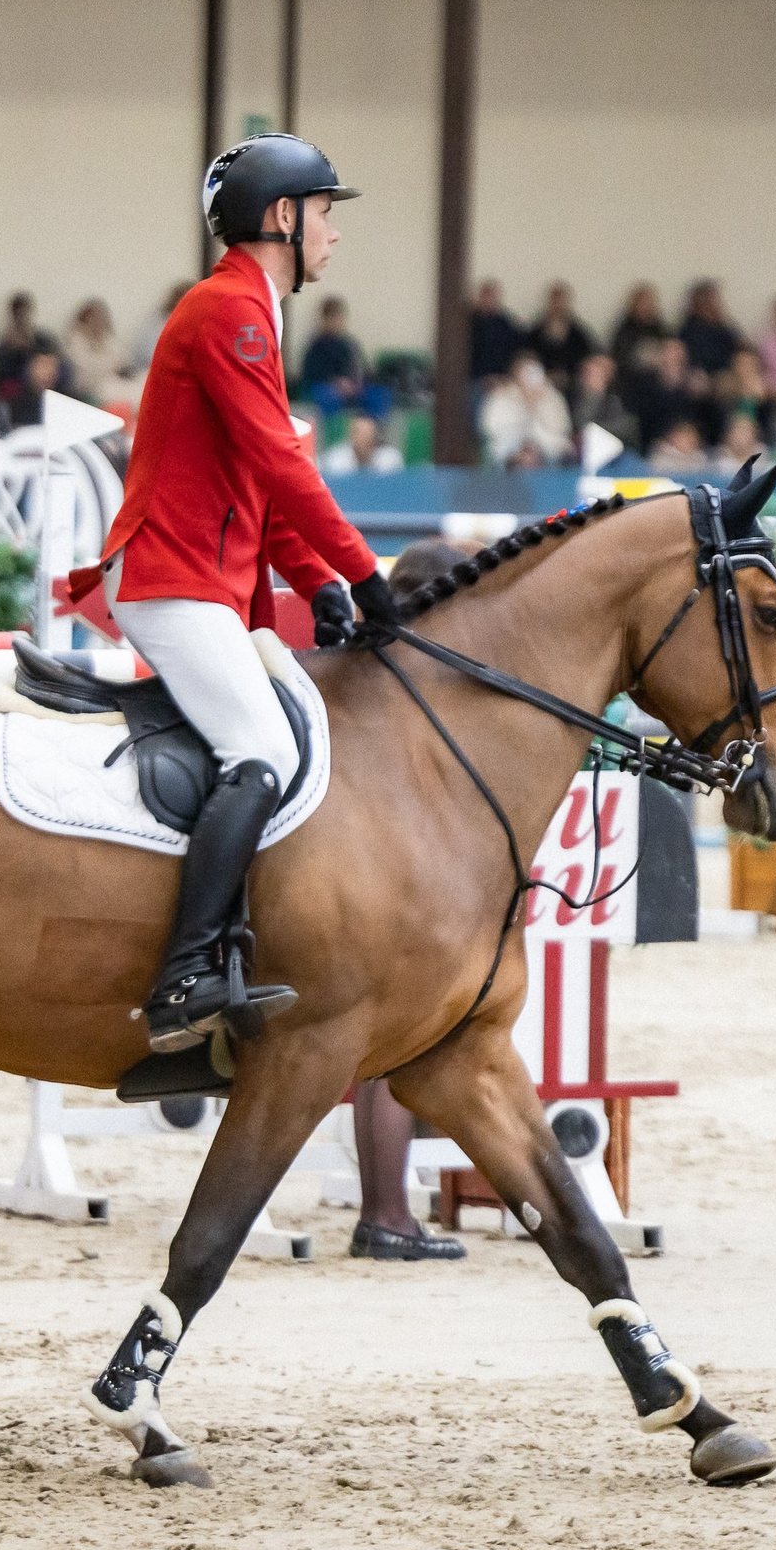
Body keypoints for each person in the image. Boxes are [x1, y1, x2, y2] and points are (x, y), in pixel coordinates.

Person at [65, 133, 392, 1057]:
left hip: (202, 578)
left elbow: (253, 475)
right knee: (257, 747)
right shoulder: (231, 313)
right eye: (325, 211)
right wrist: (364, 571)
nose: (334, 230)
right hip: (171, 577)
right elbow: (282, 460)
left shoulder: (253, 311)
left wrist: (320, 580)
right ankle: (184, 973)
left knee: (275, 736)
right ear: (282, 217)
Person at [345, 539, 474, 1263]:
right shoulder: (436, 678)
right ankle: (388, 1213)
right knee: (398, 1053)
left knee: (379, 1061)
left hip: (372, 871)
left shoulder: (379, 668)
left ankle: (383, 1211)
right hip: (408, 883)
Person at [481, 352, 574, 465]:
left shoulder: (553, 397)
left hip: (548, 453)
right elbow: (488, 428)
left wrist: (536, 404)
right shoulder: (500, 397)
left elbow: (561, 428)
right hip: (509, 453)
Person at [297, 294, 369, 412]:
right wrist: (337, 383)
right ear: (325, 319)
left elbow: (363, 369)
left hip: (353, 388)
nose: (337, 322)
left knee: (378, 395)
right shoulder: (317, 345)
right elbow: (313, 374)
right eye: (333, 317)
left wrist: (356, 382)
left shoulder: (350, 344)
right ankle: (334, 429)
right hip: (325, 388)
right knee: (328, 397)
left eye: (340, 317)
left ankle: (371, 427)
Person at [526, 281, 598, 395]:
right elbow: (527, 359)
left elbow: (588, 358)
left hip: (573, 385)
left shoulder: (578, 334)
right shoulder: (534, 333)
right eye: (554, 302)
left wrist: (570, 376)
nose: (558, 306)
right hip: (541, 385)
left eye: (561, 302)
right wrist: (546, 375)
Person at [0, 292, 58, 401]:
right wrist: (14, 350)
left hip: (47, 384)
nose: (22, 317)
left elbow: (53, 356)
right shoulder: (5, 343)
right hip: (19, 388)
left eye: (25, 313)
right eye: (19, 313)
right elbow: (2, 373)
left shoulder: (42, 338)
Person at [568, 351, 636, 452]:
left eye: (604, 370)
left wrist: (594, 394)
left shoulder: (622, 398)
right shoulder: (569, 395)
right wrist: (592, 395)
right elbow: (577, 427)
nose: (598, 374)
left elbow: (627, 429)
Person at [64, 298, 125, 402]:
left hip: (110, 382)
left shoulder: (107, 337)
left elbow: (121, 361)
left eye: (101, 317)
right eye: (94, 317)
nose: (98, 321)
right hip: (87, 388)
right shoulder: (75, 339)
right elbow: (83, 367)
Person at [678, 280, 740, 377]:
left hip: (727, 375)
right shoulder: (687, 331)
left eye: (714, 300)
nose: (712, 304)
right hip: (698, 376)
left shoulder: (725, 328)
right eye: (707, 300)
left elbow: (740, 349)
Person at [608, 283, 669, 378]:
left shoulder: (660, 328)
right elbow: (621, 360)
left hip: (662, 378)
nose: (647, 307)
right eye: (643, 303)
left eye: (650, 302)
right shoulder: (625, 330)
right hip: (634, 378)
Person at [466, 278, 521, 386]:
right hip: (473, 380)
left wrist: (501, 377)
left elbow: (514, 355)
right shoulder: (466, 324)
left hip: (500, 380)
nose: (488, 300)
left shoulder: (506, 326)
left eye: (492, 296)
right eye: (485, 296)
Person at [319, 409, 402, 474]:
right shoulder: (336, 460)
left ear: (375, 436)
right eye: (358, 432)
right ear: (351, 435)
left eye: (367, 433)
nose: (363, 439)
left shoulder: (390, 459)